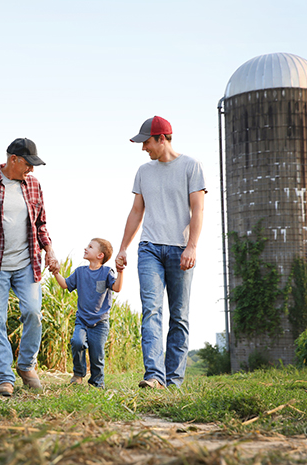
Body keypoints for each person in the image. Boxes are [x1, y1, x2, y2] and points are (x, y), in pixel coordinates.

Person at [0, 137, 60, 397]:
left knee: (33, 313)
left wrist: (49, 250)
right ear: (13, 159)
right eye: (29, 164)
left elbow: (41, 224)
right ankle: (4, 377)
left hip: (27, 263)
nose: (32, 170)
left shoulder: (34, 185)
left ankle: (26, 366)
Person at [115, 116, 206, 389]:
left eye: (147, 142)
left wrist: (192, 246)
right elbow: (136, 212)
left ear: (162, 139)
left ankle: (174, 381)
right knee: (151, 311)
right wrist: (122, 248)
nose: (144, 148)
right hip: (149, 249)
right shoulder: (144, 171)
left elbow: (198, 210)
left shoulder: (191, 167)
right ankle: (154, 376)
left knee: (179, 316)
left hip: (180, 250)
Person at [53, 238, 123, 389]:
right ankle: (78, 374)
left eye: (90, 247)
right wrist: (55, 273)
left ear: (100, 255)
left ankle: (97, 382)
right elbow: (65, 284)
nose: (86, 248)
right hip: (82, 320)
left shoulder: (106, 272)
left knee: (97, 355)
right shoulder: (80, 272)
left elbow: (117, 288)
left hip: (100, 323)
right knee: (77, 342)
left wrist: (121, 271)